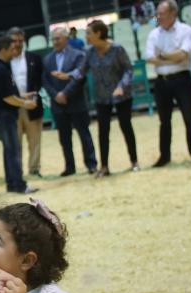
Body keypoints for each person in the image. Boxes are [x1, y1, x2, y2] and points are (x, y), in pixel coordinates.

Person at [71, 20, 140, 176]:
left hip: (122, 96)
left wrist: (122, 86)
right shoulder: (90, 52)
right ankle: (104, 167)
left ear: (98, 33)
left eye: (88, 33)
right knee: (103, 131)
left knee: (126, 127)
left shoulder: (117, 49)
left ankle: (134, 161)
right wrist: (66, 76)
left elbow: (128, 70)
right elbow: (80, 71)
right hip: (102, 97)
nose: (86, 36)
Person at [145, 0, 191, 167]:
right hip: (162, 82)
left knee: (189, 118)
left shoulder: (186, 30)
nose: (159, 17)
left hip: (182, 79)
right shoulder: (154, 33)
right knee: (164, 121)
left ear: (173, 13)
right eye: (158, 14)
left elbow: (183, 55)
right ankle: (165, 156)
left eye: (162, 13)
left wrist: (161, 57)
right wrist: (172, 57)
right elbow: (149, 58)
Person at [0, 36, 39, 194]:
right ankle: (19, 185)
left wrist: (22, 95)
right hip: (3, 114)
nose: (15, 51)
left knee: (9, 149)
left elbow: (8, 92)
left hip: (1, 113)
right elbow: (7, 97)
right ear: (3, 49)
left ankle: (12, 184)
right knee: (13, 149)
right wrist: (25, 103)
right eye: (12, 49)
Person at [43, 27, 98, 176]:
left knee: (84, 134)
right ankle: (69, 166)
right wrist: (56, 95)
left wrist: (65, 93)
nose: (55, 42)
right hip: (57, 105)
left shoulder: (79, 55)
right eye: (53, 39)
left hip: (76, 102)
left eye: (58, 38)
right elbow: (46, 81)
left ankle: (91, 164)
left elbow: (80, 78)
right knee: (64, 138)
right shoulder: (47, 59)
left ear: (66, 39)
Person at [8, 27, 45, 178]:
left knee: (35, 140)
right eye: (14, 41)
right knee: (15, 143)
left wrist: (33, 95)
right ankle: (18, 172)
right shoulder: (4, 61)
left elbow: (41, 79)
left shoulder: (34, 58)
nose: (17, 44)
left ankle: (34, 169)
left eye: (20, 40)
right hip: (12, 107)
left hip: (32, 104)